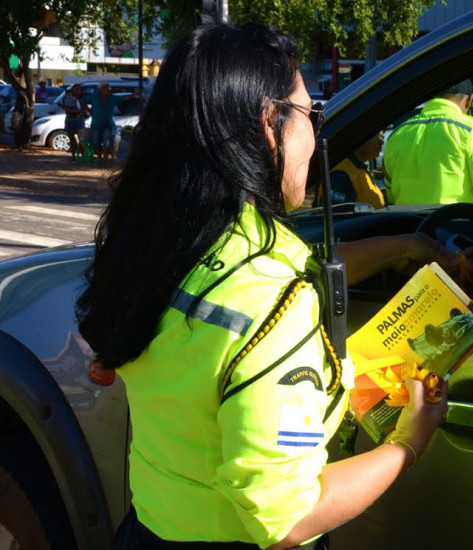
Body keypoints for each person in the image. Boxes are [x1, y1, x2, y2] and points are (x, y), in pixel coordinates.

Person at [75, 24, 452, 549]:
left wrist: (405, 247)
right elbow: (286, 519)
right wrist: (408, 443)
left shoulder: (160, 245)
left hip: (147, 531)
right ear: (269, 126)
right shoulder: (272, 301)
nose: (317, 136)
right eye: (310, 115)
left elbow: (301, 268)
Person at [382, 79, 473, 205]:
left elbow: (391, 195)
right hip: (452, 224)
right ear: (469, 100)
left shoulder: (397, 134)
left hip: (408, 224)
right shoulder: (471, 130)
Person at [317, 131, 386, 208]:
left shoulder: (359, 169)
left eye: (382, 137)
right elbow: (336, 217)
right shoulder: (341, 175)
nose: (381, 142)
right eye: (376, 136)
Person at [84, 82, 137, 161]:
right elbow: (83, 101)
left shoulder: (112, 98)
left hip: (107, 125)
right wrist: (88, 110)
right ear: (100, 89)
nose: (107, 89)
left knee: (107, 143)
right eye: (105, 87)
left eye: (108, 88)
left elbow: (125, 98)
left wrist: (135, 94)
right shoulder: (94, 97)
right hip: (95, 124)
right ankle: (99, 158)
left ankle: (105, 158)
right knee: (96, 143)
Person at [61, 84, 87, 161]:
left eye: (79, 89)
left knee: (81, 139)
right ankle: (73, 156)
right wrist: (74, 111)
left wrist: (73, 111)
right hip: (69, 120)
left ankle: (83, 156)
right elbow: (64, 107)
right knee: (71, 138)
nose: (77, 91)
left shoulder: (83, 99)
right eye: (75, 89)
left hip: (79, 121)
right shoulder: (67, 98)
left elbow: (84, 109)